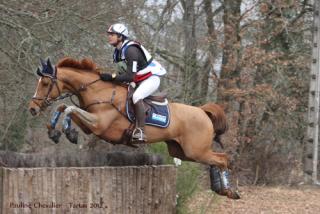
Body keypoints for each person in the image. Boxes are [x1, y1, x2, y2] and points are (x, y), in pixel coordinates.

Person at [100, 23, 167, 142]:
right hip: (139, 79)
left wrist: (111, 77)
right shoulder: (117, 52)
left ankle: (141, 131)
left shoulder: (131, 50)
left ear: (120, 37)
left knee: (136, 96)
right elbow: (124, 74)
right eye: (109, 34)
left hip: (151, 78)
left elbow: (130, 76)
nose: (109, 36)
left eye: (112, 34)